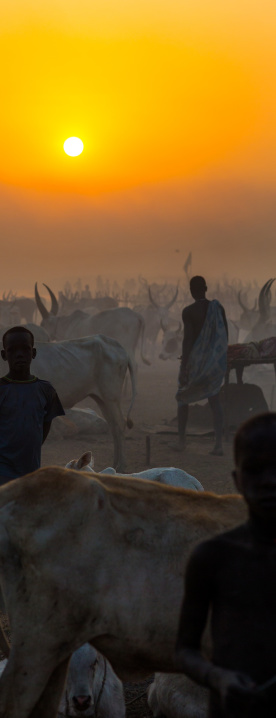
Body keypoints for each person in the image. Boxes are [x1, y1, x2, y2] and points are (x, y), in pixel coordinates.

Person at [175, 412, 276, 717]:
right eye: (255, 470)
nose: (269, 481)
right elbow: (185, 650)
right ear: (237, 479)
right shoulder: (213, 557)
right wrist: (218, 678)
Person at [0, 326, 65, 489]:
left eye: (25, 349)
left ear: (33, 353)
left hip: (32, 468)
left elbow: (46, 421)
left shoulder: (46, 390)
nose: (19, 354)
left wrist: (33, 447)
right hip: (3, 470)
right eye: (12, 350)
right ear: (4, 355)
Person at [175, 275, 228, 455]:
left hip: (195, 363)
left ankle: (182, 442)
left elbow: (188, 340)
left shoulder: (189, 312)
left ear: (191, 291)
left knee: (183, 397)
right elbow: (224, 335)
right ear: (206, 288)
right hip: (213, 363)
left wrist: (184, 367)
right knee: (214, 399)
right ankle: (218, 445)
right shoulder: (218, 309)